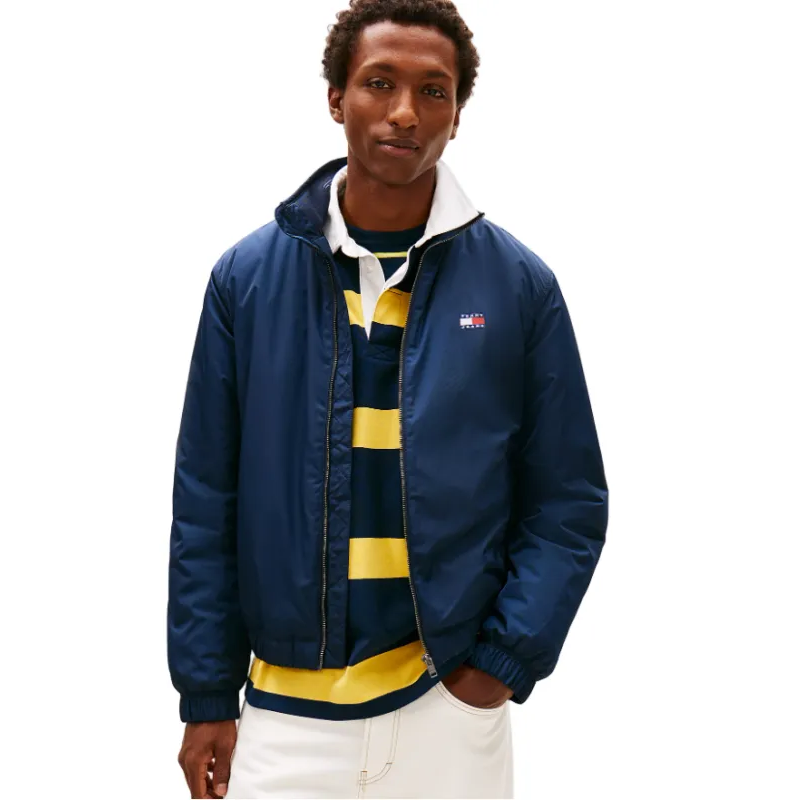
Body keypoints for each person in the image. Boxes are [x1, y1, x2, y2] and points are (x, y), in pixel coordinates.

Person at [167, 0, 609, 797]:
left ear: (457, 114)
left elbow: (567, 501)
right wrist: (206, 695)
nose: (405, 111)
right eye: (380, 82)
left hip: (448, 711)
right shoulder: (247, 280)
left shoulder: (518, 287)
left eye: (433, 91)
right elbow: (206, 501)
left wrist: (498, 669)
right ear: (337, 98)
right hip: (284, 723)